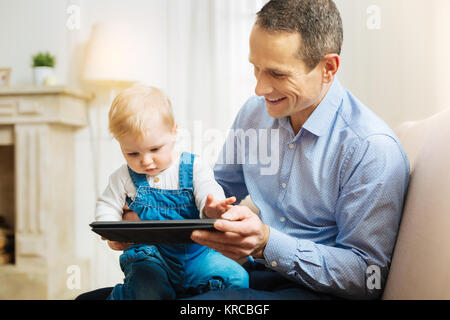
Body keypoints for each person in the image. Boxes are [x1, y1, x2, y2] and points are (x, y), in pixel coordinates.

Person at [77, 0, 409, 300]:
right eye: (256, 68)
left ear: (328, 68)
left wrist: (266, 242)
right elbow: (213, 196)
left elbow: (369, 278)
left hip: (316, 290)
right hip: (248, 273)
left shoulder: (371, 148)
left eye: (277, 74)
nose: (260, 88)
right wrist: (136, 222)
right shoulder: (256, 112)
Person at [93, 85, 249, 299]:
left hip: (197, 255)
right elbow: (107, 205)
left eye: (155, 149)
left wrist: (213, 207)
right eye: (132, 153)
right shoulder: (123, 177)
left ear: (174, 131)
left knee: (236, 278)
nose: (146, 161)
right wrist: (113, 232)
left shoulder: (193, 167)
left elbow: (208, 191)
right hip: (150, 256)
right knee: (148, 289)